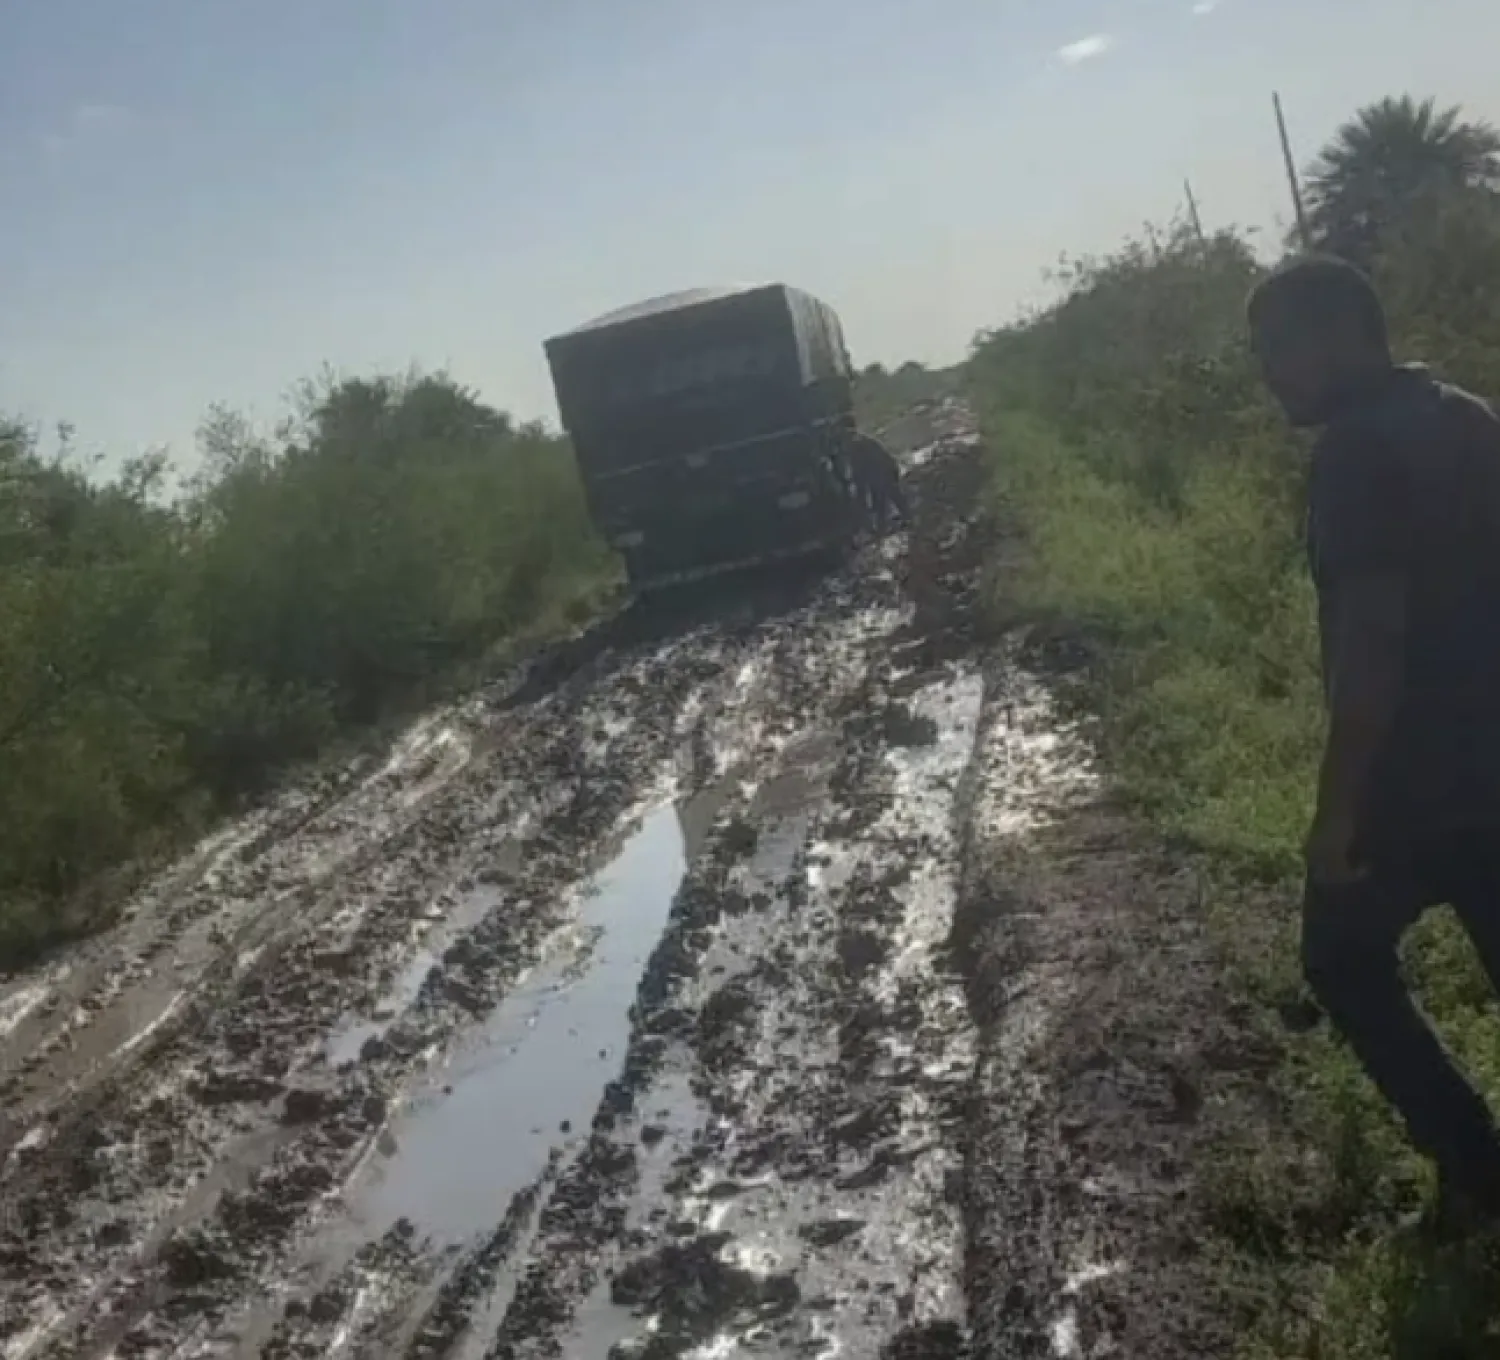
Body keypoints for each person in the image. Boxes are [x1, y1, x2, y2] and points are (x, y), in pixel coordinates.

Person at [1248, 254, 1500, 1233]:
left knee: (1342, 958)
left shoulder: (1355, 452)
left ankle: (1477, 1173)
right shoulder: (1467, 414)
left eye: (1282, 346)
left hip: (1412, 784)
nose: (1271, 370)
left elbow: (1373, 647)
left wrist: (1335, 814)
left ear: (1348, 335)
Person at [846, 426, 910, 532]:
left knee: (886, 498)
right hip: (884, 468)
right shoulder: (860, 439)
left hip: (882, 471)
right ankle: (888, 525)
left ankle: (883, 528)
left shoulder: (855, 445)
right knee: (887, 498)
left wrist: (859, 492)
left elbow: (859, 470)